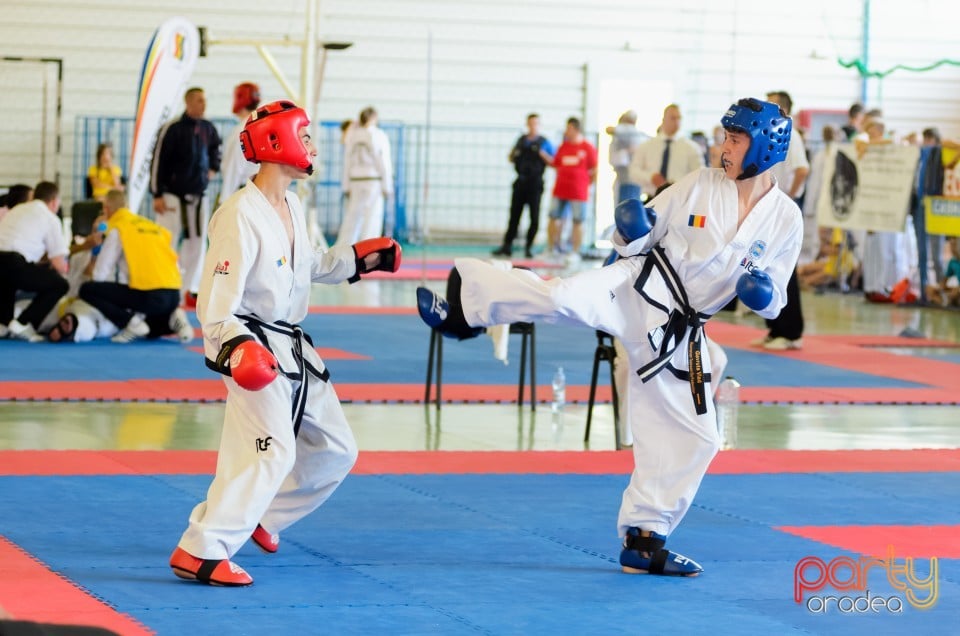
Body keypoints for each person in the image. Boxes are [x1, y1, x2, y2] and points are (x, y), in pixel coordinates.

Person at [415, 98, 801, 577]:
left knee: (699, 436)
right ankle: (463, 307)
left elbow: (777, 301)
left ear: (764, 146)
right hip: (639, 283)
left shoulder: (786, 219)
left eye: (735, 139)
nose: (724, 147)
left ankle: (644, 539)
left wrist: (761, 295)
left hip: (681, 331)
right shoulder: (700, 184)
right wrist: (629, 229)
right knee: (560, 298)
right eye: (725, 136)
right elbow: (641, 234)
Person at [169, 100, 402, 587]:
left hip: (294, 349)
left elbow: (307, 264)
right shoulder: (237, 216)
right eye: (308, 136)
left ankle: (264, 516)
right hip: (253, 345)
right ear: (279, 143)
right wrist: (234, 349)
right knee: (269, 451)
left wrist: (357, 260)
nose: (315, 147)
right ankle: (202, 548)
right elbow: (215, 302)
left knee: (337, 449)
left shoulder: (293, 205)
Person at [76, 190, 192, 344]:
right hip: (174, 294)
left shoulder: (118, 229)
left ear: (107, 209)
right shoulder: (151, 225)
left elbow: (99, 275)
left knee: (87, 289)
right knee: (150, 330)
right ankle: (172, 318)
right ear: (127, 206)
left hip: (151, 296)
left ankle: (131, 323)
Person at [151, 86, 222, 308]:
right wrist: (157, 194)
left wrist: (211, 171)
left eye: (204, 100)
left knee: (197, 245)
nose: (204, 104)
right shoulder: (172, 128)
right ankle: (163, 286)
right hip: (172, 197)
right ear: (188, 102)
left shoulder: (209, 129)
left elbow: (215, 154)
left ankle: (185, 290)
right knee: (167, 242)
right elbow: (158, 162)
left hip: (198, 196)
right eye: (199, 100)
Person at [750, 90, 809, 350]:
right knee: (767, 265)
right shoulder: (769, 130)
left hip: (782, 206)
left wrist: (790, 197)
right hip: (768, 206)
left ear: (782, 107)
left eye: (770, 103)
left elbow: (802, 169)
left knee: (785, 268)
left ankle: (791, 331)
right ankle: (775, 329)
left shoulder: (791, 133)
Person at [0, 181, 69, 342]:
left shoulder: (17, 209)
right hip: (15, 263)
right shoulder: (50, 218)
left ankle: (3, 324)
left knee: (8, 278)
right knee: (60, 284)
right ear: (53, 201)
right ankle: (24, 323)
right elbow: (59, 264)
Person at [492, 113, 555, 258]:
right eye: (530, 123)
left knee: (534, 216)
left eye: (535, 123)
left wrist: (541, 153)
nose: (533, 126)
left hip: (535, 183)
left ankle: (529, 247)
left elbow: (553, 162)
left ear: (539, 125)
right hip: (520, 182)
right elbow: (510, 157)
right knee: (514, 215)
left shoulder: (544, 142)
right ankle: (507, 245)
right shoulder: (521, 140)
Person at [336, 106, 393, 246]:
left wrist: (346, 186)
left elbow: (347, 161)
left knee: (352, 218)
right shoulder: (379, 135)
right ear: (374, 118)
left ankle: (344, 249)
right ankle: (368, 250)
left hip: (355, 181)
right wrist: (387, 186)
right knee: (372, 219)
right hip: (373, 181)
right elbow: (384, 162)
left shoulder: (352, 135)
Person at [546, 116, 597, 262]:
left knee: (578, 220)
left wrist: (588, 185)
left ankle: (575, 252)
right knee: (553, 217)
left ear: (575, 129)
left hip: (578, 191)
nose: (566, 131)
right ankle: (552, 248)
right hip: (560, 189)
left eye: (568, 128)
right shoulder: (563, 146)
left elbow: (594, 169)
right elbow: (556, 163)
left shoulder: (587, 148)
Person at [628, 104, 704, 196]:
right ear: (664, 120)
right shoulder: (646, 146)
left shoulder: (691, 148)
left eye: (679, 118)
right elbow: (633, 171)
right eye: (673, 118)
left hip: (679, 199)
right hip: (650, 198)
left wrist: (680, 184)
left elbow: (699, 175)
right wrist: (650, 177)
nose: (677, 122)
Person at [220, 82, 262, 200]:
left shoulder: (243, 130)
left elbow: (235, 167)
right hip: (257, 192)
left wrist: (224, 200)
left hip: (242, 191)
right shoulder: (259, 126)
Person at [606, 110, 646, 203]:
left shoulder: (628, 129)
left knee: (626, 208)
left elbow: (609, 129)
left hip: (628, 179)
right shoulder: (636, 133)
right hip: (626, 178)